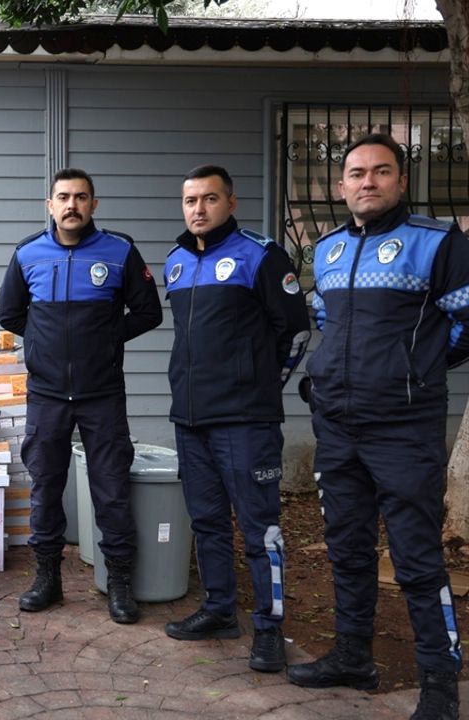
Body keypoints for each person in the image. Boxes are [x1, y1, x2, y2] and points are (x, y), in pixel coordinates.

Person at [289, 134, 465, 720]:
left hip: (404, 429)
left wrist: (416, 369)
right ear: (342, 186)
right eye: (357, 173)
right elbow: (324, 316)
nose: (368, 181)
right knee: (347, 549)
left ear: (401, 181)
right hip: (338, 427)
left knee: (416, 559)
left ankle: (439, 681)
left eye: (381, 171)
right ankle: (352, 656)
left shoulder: (436, 242)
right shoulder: (329, 249)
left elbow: (465, 322)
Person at [161, 165, 310, 673]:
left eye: (209, 199)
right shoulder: (176, 261)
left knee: (259, 528)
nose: (198, 209)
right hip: (190, 419)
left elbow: (295, 331)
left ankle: (269, 628)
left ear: (231, 202)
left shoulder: (260, 255)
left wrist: (261, 387)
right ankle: (220, 609)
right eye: (190, 201)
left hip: (245, 421)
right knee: (206, 522)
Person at [0, 167, 162, 624]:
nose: (72, 205)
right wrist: (45, 344)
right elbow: (11, 314)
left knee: (111, 490)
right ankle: (47, 578)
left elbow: (148, 312)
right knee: (46, 488)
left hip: (101, 393)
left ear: (94, 204)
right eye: (64, 197)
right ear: (50, 205)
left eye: (81, 197)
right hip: (47, 395)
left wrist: (104, 339)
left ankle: (120, 583)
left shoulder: (119, 251)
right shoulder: (27, 253)